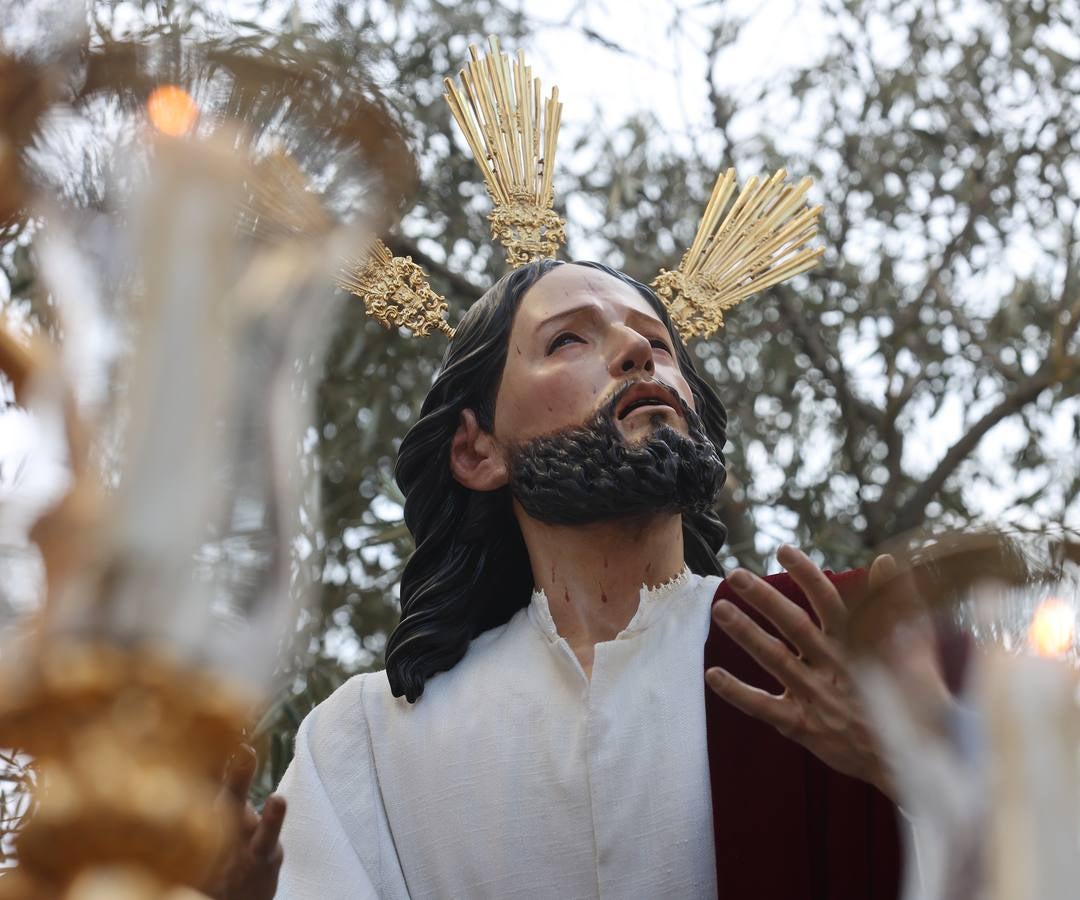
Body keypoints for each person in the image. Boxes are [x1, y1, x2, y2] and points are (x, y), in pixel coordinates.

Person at [213, 258, 903, 899]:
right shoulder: (366, 744)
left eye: (658, 345)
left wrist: (914, 768)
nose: (637, 355)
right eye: (568, 341)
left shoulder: (831, 649)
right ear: (476, 450)